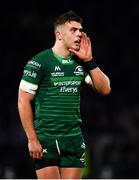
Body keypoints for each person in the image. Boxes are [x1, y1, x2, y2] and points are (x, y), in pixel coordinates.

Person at [18, 10, 111, 179]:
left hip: (73, 139)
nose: (79, 34)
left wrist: (90, 61)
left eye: (81, 30)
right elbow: (23, 101)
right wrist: (32, 139)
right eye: (73, 30)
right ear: (59, 35)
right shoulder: (39, 62)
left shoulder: (81, 63)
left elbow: (105, 89)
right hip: (46, 138)